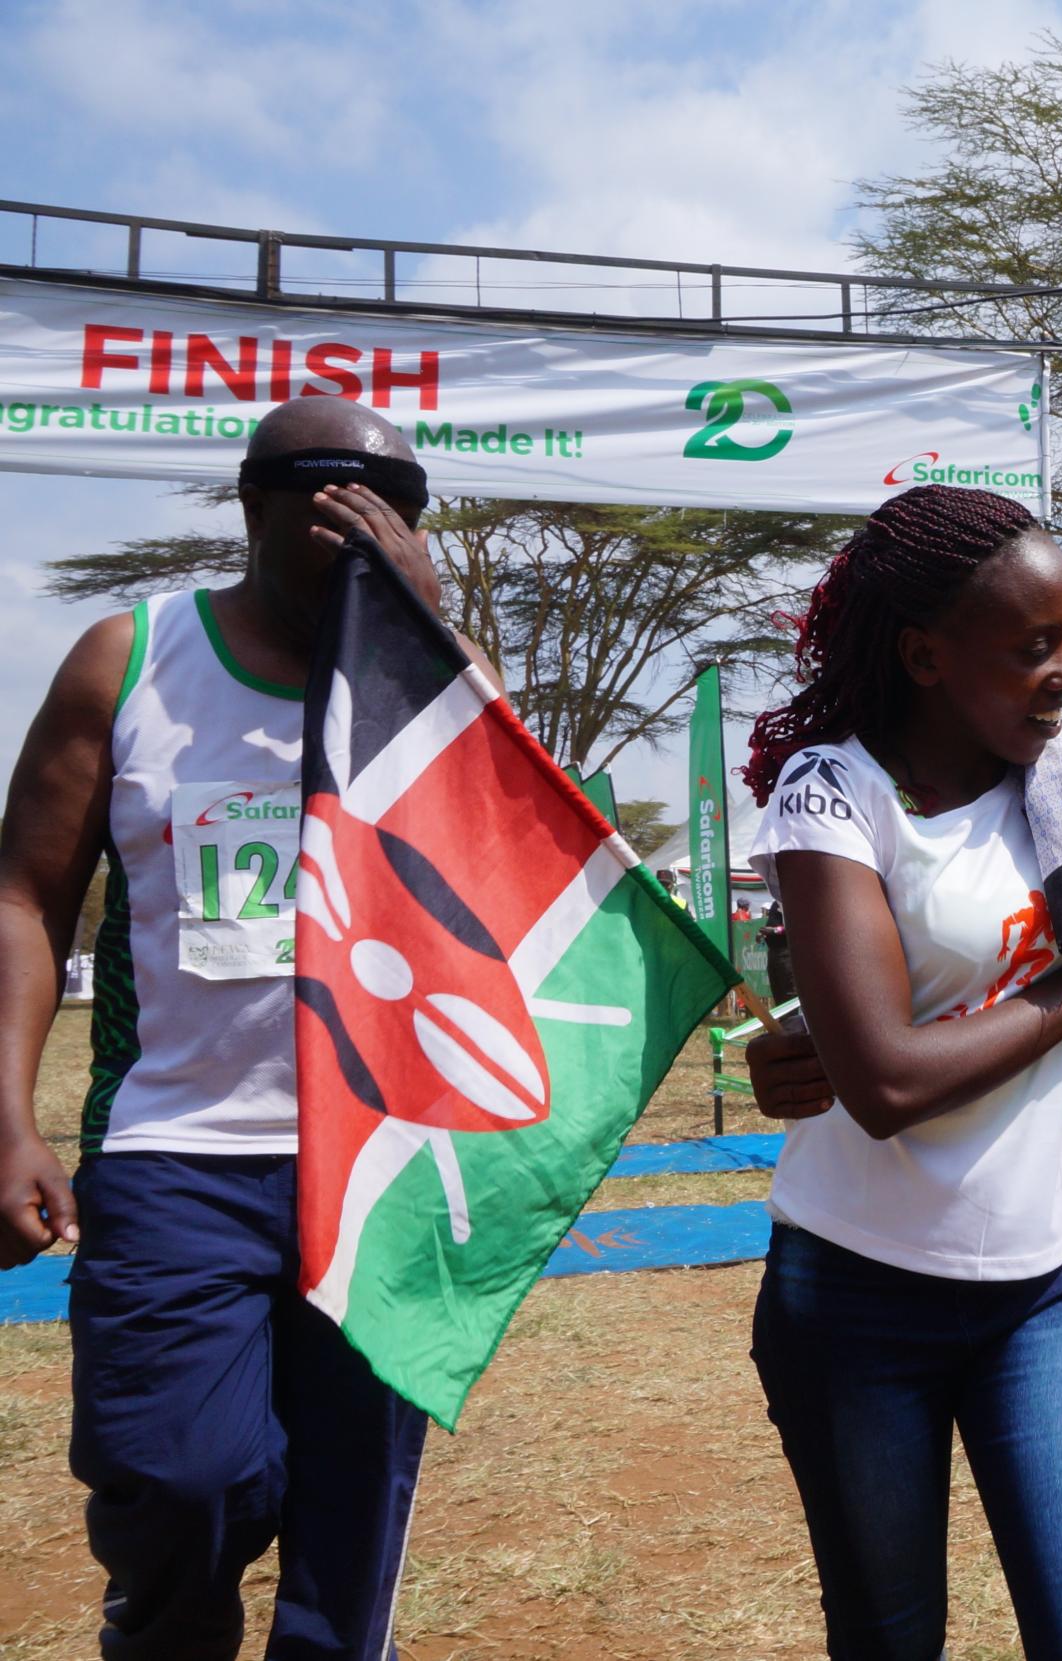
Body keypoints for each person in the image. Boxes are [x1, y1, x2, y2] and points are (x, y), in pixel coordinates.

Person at [0, 397, 480, 1658]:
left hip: (377, 1162)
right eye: (331, 509)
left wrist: (425, 642)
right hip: (176, 1153)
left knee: (349, 1523)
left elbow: (505, 867)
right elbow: (24, 895)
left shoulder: (429, 669)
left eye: (394, 514)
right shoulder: (132, 657)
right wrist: (7, 1119)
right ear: (254, 510)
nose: (364, 537)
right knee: (185, 1478)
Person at [738, 483, 1062, 1661]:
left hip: (1048, 1278)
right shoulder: (834, 791)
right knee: (890, 1640)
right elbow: (883, 1080)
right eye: (1033, 646)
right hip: (855, 1293)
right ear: (925, 655)